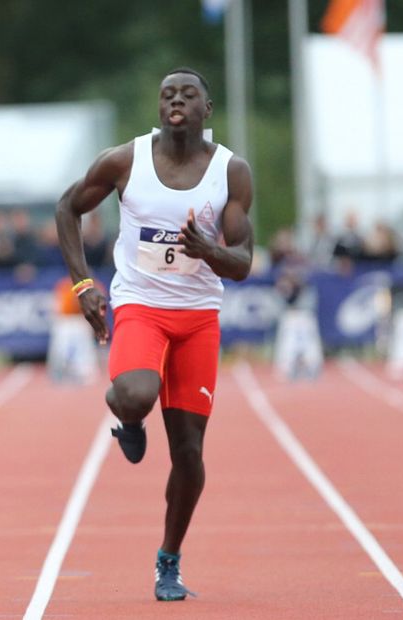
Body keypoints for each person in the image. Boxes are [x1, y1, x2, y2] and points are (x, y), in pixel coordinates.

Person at [55, 68, 253, 601]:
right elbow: (68, 208)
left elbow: (243, 263)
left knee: (188, 453)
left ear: (207, 110)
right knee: (136, 393)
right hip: (141, 306)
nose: (177, 101)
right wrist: (82, 285)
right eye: (168, 94)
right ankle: (129, 416)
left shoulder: (230, 171)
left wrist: (207, 250)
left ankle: (169, 560)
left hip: (198, 317)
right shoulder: (126, 160)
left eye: (189, 94)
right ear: (159, 106)